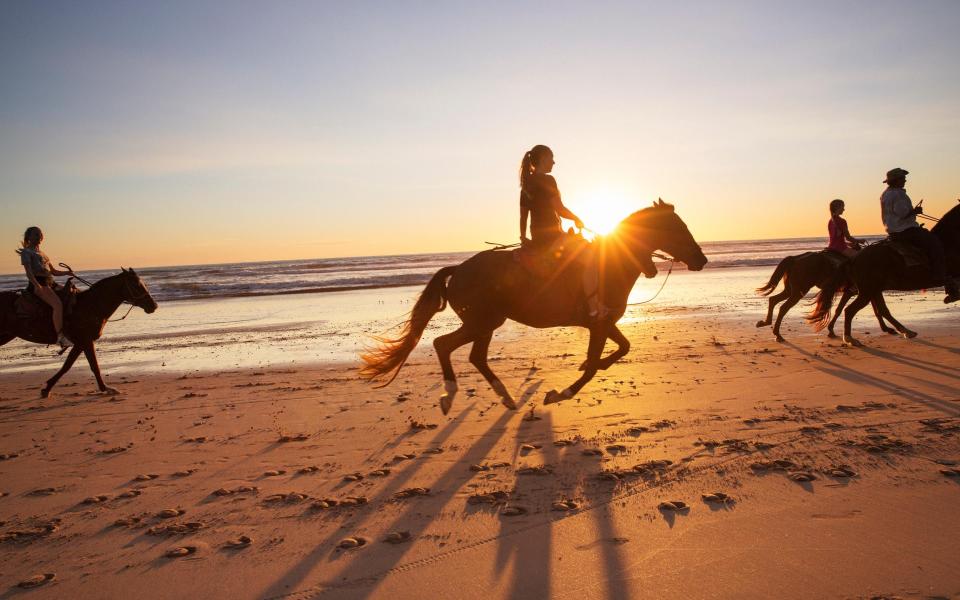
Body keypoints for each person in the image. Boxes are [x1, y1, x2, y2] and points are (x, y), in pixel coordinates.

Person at [518, 145, 607, 319]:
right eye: (551, 158)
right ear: (543, 158)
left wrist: (523, 238)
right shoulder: (548, 180)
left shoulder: (526, 184)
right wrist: (576, 218)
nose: (554, 162)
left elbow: (523, 218)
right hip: (553, 236)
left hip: (537, 237)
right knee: (590, 258)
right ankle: (594, 308)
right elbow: (559, 209)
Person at [880, 168, 959, 303]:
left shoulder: (885, 194)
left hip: (893, 230)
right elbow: (902, 212)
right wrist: (915, 211)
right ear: (896, 180)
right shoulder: (898, 194)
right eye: (902, 178)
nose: (905, 180)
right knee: (935, 243)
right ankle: (940, 277)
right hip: (905, 229)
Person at [16, 226, 74, 347]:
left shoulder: (42, 253)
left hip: (49, 282)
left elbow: (53, 271)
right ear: (29, 237)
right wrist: (37, 286)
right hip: (39, 283)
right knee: (57, 305)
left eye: (40, 234)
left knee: (73, 293)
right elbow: (28, 272)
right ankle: (60, 337)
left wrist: (66, 273)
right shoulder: (27, 252)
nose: (39, 237)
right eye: (36, 234)